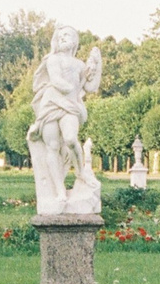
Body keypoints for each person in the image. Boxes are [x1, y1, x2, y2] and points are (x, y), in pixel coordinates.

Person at [27, 25, 104, 215]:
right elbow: (57, 82)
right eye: (60, 36)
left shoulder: (79, 65)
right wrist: (77, 85)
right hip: (52, 103)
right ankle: (59, 190)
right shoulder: (53, 59)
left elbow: (92, 87)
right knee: (52, 146)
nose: (62, 38)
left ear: (74, 41)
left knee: (70, 139)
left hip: (70, 106)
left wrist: (96, 67)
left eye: (66, 35)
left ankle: (81, 172)